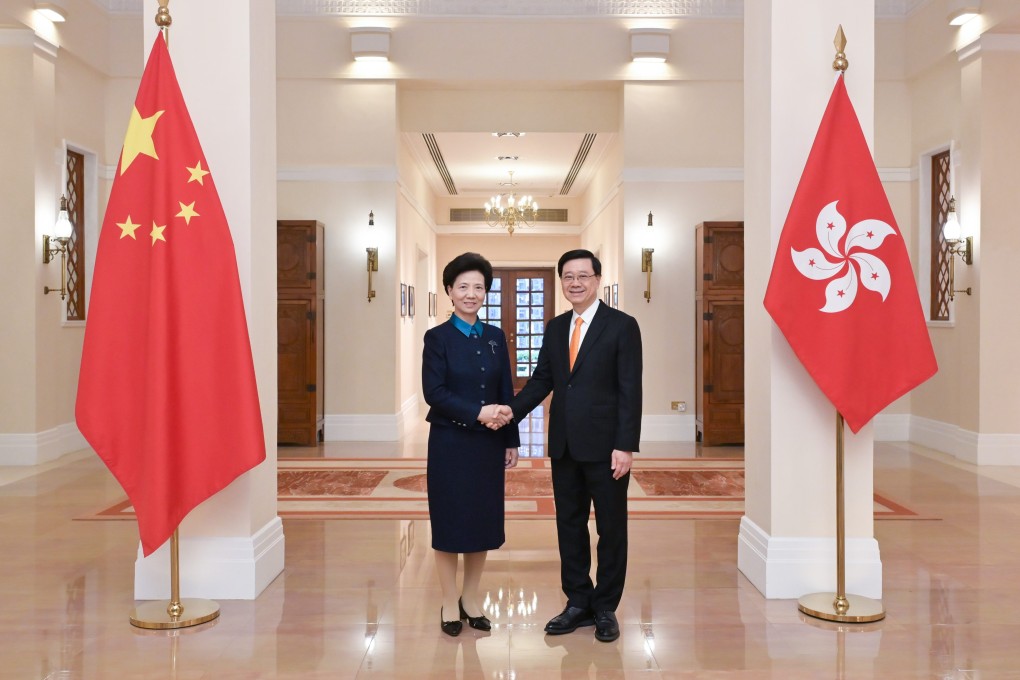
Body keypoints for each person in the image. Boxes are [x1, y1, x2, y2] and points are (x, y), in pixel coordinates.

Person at [500, 249, 642, 643]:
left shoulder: (622, 326)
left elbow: (631, 389)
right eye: (568, 276)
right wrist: (508, 413)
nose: (575, 282)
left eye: (583, 275)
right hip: (564, 445)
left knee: (611, 529)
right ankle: (578, 601)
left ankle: (606, 607)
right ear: (561, 281)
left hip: (607, 448)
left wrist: (625, 445)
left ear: (597, 280)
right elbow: (542, 380)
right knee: (569, 526)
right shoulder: (555, 326)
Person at [422, 252, 520, 637]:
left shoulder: (495, 337)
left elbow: (505, 390)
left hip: (487, 447)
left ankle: (471, 598)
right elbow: (435, 392)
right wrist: (478, 412)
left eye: (478, 287)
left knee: (480, 521)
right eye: (463, 286)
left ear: (486, 293)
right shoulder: (437, 338)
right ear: (449, 291)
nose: (471, 293)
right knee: (449, 522)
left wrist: (510, 440)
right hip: (449, 443)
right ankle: (449, 600)